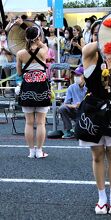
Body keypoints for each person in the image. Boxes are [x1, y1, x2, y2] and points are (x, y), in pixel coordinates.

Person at [74, 20, 111, 215]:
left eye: (107, 32)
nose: (102, 36)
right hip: (93, 110)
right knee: (97, 156)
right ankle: (101, 199)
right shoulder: (89, 53)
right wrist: (110, 41)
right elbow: (95, 45)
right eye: (98, 32)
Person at [16, 26, 50, 159]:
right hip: (41, 86)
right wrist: (38, 41)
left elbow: (19, 73)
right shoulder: (43, 50)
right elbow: (43, 46)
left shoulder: (20, 53)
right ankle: (39, 150)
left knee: (28, 122)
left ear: (25, 37)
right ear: (38, 37)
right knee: (41, 122)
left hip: (27, 87)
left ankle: (31, 151)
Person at [59, 66, 87, 138]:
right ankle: (68, 130)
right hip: (75, 111)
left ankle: (81, 128)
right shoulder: (71, 87)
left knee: (81, 134)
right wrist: (73, 106)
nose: (76, 77)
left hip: (86, 112)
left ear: (84, 75)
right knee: (62, 108)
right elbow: (65, 103)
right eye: (75, 75)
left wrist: (82, 105)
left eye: (78, 75)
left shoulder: (89, 87)